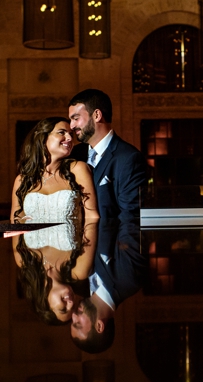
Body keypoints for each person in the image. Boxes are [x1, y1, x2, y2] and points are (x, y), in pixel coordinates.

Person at [70, 216, 145, 353]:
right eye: (78, 324)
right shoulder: (130, 279)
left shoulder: (79, 280)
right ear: (99, 326)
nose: (73, 316)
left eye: (72, 322)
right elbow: (130, 217)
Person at [68, 89, 147, 218]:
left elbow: (130, 217)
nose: (71, 125)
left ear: (97, 115)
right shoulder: (74, 155)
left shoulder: (129, 158)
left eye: (76, 118)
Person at [11, 116, 99, 224]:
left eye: (71, 134)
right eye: (62, 132)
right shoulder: (22, 180)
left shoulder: (78, 169)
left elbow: (92, 217)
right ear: (43, 138)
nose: (70, 138)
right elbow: (16, 224)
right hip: (31, 240)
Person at [13, 221, 97, 325]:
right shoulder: (78, 269)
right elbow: (91, 220)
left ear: (44, 304)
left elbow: (17, 218)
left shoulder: (22, 260)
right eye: (74, 306)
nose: (71, 303)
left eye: (63, 309)